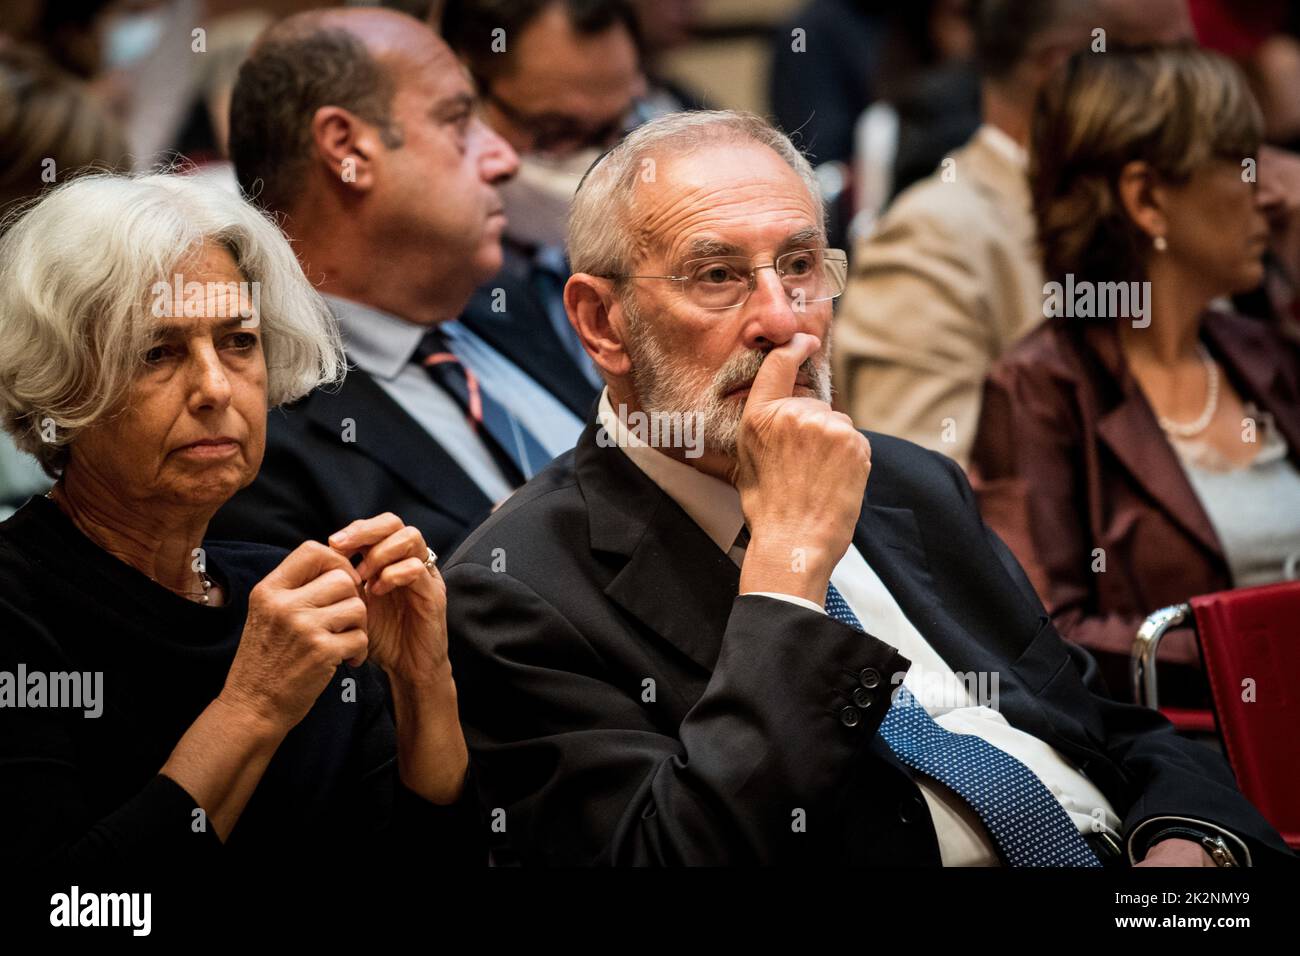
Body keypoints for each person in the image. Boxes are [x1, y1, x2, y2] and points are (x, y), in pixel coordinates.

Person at [440, 109, 1295, 867]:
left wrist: (1192, 846)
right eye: (717, 275)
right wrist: (786, 567)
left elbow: (1104, 729)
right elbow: (678, 848)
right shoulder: (514, 593)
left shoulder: (909, 483)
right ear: (602, 322)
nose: (784, 320)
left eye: (801, 266)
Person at [0, 171, 478, 869]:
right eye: (156, 352)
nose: (216, 388)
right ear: (63, 381)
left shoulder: (281, 591)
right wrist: (251, 707)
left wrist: (423, 682)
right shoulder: (18, 611)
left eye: (238, 341)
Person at [969, 45, 1300, 708]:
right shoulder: (1040, 389)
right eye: (1241, 161)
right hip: (1195, 767)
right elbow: (1046, 639)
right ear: (1147, 198)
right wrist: (1259, 650)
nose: (1268, 190)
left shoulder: (1262, 350)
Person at [211, 7, 590, 557]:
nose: (504, 159)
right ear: (347, 149)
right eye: (458, 121)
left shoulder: (512, 302)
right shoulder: (252, 430)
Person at [833, 0, 1195, 468]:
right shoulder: (933, 238)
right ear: (1068, 69)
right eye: (1175, 58)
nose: (1198, 89)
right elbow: (932, 508)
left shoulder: (1173, 214)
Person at [438, 0, 648, 392]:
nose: (593, 160)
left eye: (615, 129)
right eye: (555, 131)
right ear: (463, 90)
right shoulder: (434, 288)